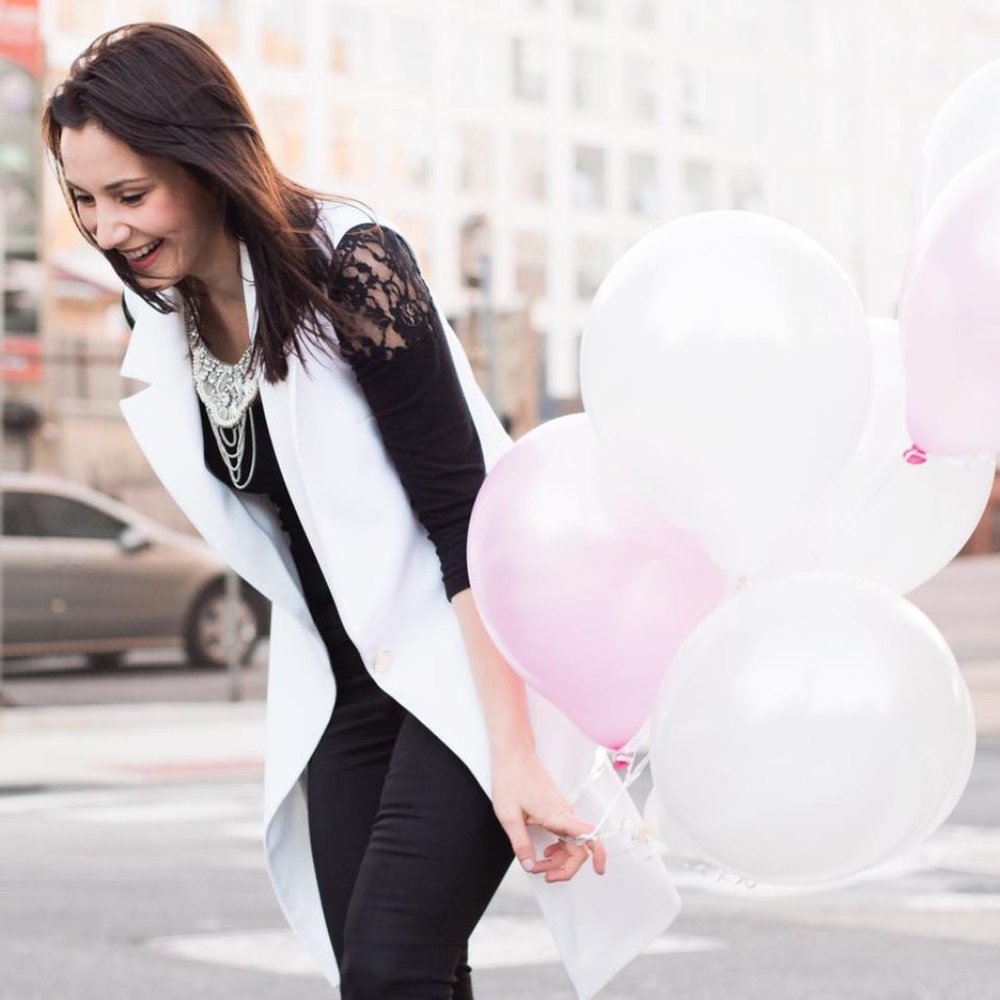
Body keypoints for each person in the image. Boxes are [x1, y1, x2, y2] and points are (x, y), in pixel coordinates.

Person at [42, 22, 679, 1000]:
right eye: (84, 200)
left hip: (464, 652)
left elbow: (462, 516)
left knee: (394, 965)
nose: (109, 229)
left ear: (206, 159)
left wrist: (511, 756)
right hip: (344, 687)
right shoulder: (158, 313)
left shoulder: (350, 265)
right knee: (375, 972)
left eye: (132, 194)